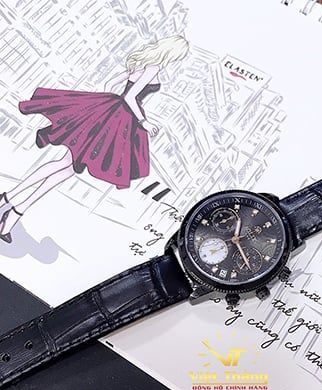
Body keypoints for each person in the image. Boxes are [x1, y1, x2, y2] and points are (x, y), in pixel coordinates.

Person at [0, 35, 189, 244]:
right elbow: (129, 97)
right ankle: (10, 204)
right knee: (65, 164)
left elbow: (111, 83)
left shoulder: (142, 64)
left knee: (68, 169)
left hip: (113, 116)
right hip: (119, 118)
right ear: (173, 52)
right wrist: (143, 122)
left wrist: (105, 108)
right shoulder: (153, 68)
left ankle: (13, 208)